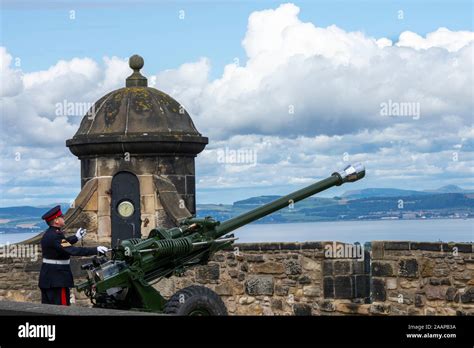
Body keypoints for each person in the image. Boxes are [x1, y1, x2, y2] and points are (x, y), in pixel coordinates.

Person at [38, 205, 108, 306]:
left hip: (50, 278)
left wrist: (76, 237)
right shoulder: (55, 236)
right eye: (61, 216)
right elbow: (73, 251)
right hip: (57, 279)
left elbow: (63, 244)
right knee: (61, 308)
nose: (63, 218)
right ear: (56, 220)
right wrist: (96, 249)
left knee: (48, 308)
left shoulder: (51, 233)